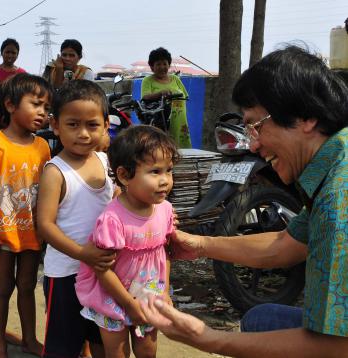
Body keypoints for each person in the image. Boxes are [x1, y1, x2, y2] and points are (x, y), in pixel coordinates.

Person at [141, 45, 348, 357]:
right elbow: (286, 244)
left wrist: (208, 339)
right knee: (261, 319)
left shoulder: (339, 198)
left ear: (306, 117)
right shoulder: (334, 161)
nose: (253, 144)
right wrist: (200, 245)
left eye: (256, 124)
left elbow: (335, 347)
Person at [74, 125, 177, 358]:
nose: (165, 180)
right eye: (155, 172)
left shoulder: (166, 210)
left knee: (148, 351)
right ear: (124, 175)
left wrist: (164, 291)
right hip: (113, 299)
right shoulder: (112, 219)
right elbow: (103, 269)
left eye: (168, 170)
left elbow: (165, 253)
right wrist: (129, 304)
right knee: (117, 353)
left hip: (149, 295)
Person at [0, 73, 51, 358]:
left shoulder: (43, 147)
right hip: (2, 235)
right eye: (36, 104)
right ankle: (0, 343)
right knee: (1, 288)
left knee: (28, 286)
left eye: (46, 107)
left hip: (33, 234)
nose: (42, 112)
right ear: (10, 105)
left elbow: (48, 193)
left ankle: (30, 339)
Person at [37, 79, 116, 358]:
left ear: (106, 125)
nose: (83, 134)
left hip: (102, 272)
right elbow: (44, 225)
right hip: (67, 274)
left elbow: (117, 201)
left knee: (102, 337)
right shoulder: (55, 171)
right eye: (72, 125)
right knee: (63, 344)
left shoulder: (105, 162)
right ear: (55, 125)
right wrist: (84, 254)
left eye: (92, 125)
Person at [141, 47, 191, 148]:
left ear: (169, 65)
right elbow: (145, 97)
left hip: (180, 120)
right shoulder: (147, 80)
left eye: (165, 63)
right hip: (161, 120)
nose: (162, 67)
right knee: (163, 145)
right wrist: (161, 93)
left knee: (182, 146)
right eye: (158, 64)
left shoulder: (175, 79)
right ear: (151, 67)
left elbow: (185, 96)